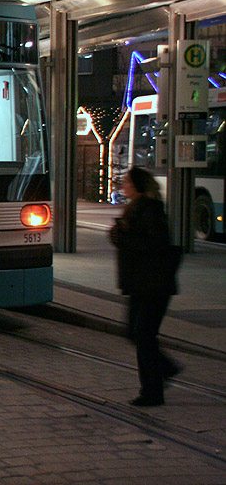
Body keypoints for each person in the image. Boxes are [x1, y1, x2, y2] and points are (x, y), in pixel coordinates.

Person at [109, 166, 181, 407]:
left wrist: (122, 233)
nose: (124, 186)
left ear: (138, 186)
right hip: (141, 284)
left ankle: (152, 391)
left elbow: (152, 244)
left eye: (127, 182)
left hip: (152, 284)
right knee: (134, 332)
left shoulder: (150, 210)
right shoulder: (135, 209)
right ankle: (165, 369)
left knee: (143, 336)